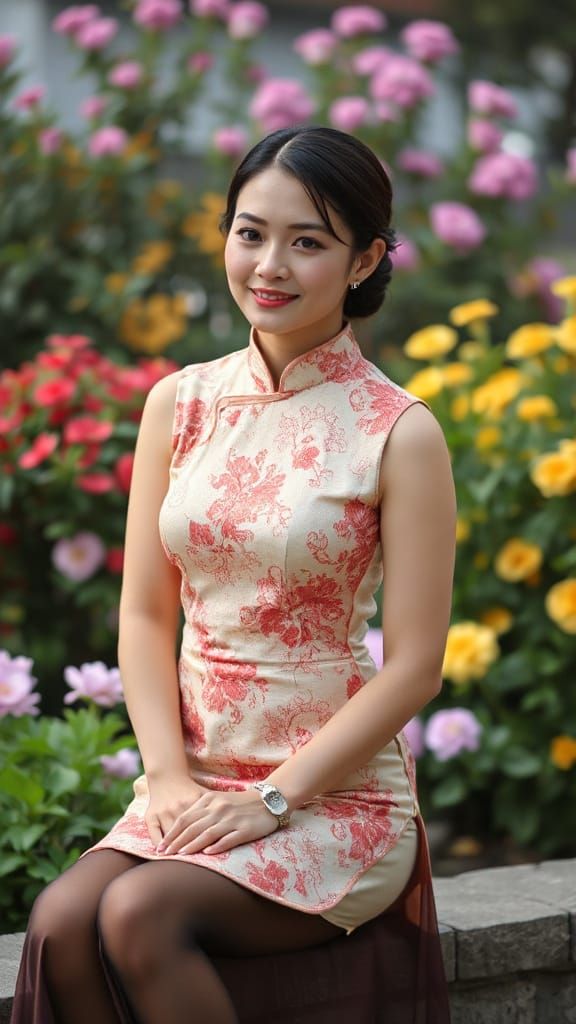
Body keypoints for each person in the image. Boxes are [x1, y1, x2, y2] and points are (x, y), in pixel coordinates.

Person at [11, 125, 456, 1024]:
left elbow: (415, 665)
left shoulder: (398, 432)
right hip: (194, 782)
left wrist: (274, 797)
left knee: (140, 914)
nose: (270, 266)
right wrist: (166, 777)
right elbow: (143, 613)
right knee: (59, 922)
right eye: (250, 233)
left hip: (333, 799)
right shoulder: (179, 403)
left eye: (309, 242)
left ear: (366, 259)